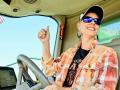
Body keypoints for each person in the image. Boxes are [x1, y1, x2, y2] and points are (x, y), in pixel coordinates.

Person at [38, 6, 118, 90]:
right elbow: (49, 70)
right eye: (88, 19)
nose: (93, 23)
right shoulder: (68, 53)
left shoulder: (108, 53)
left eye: (97, 21)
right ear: (79, 26)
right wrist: (45, 43)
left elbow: (106, 88)